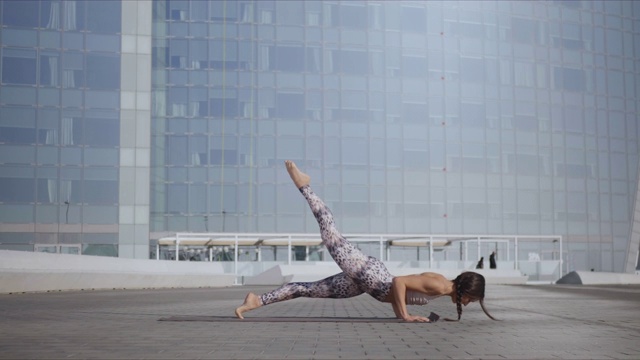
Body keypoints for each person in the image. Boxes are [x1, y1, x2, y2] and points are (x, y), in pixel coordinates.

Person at [235, 160, 498, 322]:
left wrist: (431, 317)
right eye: (472, 300)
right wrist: (403, 316)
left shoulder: (443, 287)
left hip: (365, 284)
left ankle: (257, 300)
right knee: (330, 233)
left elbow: (409, 291)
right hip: (369, 276)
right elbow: (399, 282)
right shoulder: (439, 285)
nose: (469, 303)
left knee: (307, 288)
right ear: (468, 291)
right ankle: (305, 186)